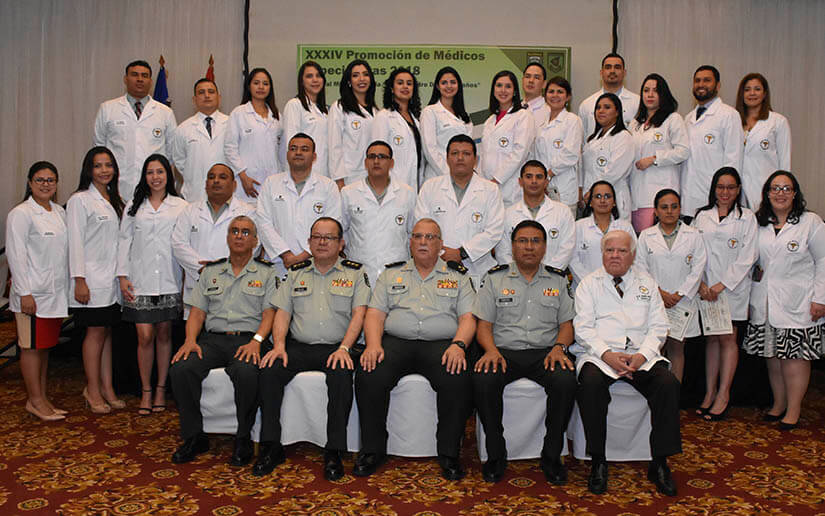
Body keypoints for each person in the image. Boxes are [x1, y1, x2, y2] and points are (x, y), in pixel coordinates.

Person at [354, 218, 476, 480]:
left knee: (457, 378)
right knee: (370, 374)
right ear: (410, 243)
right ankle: (373, 450)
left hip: (441, 345)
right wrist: (373, 344)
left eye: (430, 237)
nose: (423, 242)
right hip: (396, 342)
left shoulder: (458, 277)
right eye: (418, 236)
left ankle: (449, 453)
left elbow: (468, 318)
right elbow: (375, 314)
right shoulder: (390, 275)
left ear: (441, 245)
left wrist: (458, 345)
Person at [257, 217, 371, 479]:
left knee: (341, 376)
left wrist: (344, 348)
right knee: (270, 369)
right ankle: (271, 445)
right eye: (317, 237)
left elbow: (359, 314)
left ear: (341, 243)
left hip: (337, 346)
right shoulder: (296, 272)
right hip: (299, 346)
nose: (322, 242)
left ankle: (334, 450)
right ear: (309, 242)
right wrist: (279, 346)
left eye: (329, 237)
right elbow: (283, 313)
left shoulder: (355, 273)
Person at [573, 229, 681, 496]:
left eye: (622, 250)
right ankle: (598, 460)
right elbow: (583, 329)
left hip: (639, 356)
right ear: (602, 253)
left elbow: (659, 327)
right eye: (609, 250)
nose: (615, 255)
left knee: (668, 384)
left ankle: (660, 462)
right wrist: (607, 355)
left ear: (632, 255)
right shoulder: (589, 284)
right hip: (602, 356)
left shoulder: (646, 283)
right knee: (590, 384)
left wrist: (642, 356)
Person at [169, 216, 277, 465]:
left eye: (245, 232)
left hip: (249, 339)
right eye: (234, 231)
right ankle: (194, 436)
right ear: (227, 237)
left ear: (255, 241)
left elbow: (269, 314)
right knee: (182, 368)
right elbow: (197, 312)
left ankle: (243, 438)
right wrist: (189, 340)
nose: (239, 236)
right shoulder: (211, 271)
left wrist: (257, 341)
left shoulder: (267, 273)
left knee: (247, 372)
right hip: (213, 340)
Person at [474, 220, 576, 484]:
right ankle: (496, 455)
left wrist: (559, 348)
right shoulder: (495, 279)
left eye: (535, 241)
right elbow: (483, 324)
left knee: (565, 381)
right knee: (484, 380)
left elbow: (567, 325)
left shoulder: (557, 279)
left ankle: (552, 455)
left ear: (544, 247)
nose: (529, 247)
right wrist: (490, 350)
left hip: (546, 352)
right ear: (513, 246)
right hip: (503, 351)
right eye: (522, 241)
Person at [744, 171, 824, 430]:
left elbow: (824, 261)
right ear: (767, 193)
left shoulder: (810, 222)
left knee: (795, 357)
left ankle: (794, 409)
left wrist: (820, 299)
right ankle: (778, 404)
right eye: (775, 188)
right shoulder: (759, 224)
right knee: (773, 355)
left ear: (795, 194)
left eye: (786, 188)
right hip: (765, 301)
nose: (780, 193)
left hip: (800, 301)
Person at [117, 154, 187, 415]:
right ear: (144, 176)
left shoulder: (180, 206)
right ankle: (145, 389)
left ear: (169, 176)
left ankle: (160, 388)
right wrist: (122, 276)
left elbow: (183, 243)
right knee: (144, 336)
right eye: (150, 172)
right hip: (140, 280)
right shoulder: (134, 207)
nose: (155, 177)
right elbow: (123, 242)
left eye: (160, 172)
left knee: (165, 334)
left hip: (169, 279)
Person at [692, 167, 758, 420]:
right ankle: (709, 393)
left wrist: (721, 285)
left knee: (728, 339)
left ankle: (723, 394)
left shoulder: (747, 218)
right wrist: (701, 283)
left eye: (731, 187)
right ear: (714, 188)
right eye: (721, 187)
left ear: (738, 190)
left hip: (731, 289)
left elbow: (748, 256)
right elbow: (695, 251)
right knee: (712, 339)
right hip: (705, 289)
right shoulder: (702, 216)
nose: (725, 192)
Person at [6, 161, 69, 421]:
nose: (46, 184)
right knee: (30, 348)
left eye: (51, 180)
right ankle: (35, 400)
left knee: (44, 347)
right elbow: (15, 254)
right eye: (40, 180)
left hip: (54, 294)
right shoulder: (21, 213)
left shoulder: (58, 212)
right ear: (30, 183)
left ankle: (42, 398)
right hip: (32, 294)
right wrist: (25, 293)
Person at [67, 147, 126, 414]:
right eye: (98, 166)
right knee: (94, 334)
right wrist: (79, 280)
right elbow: (75, 242)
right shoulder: (80, 200)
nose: (104, 170)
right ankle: (92, 390)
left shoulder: (114, 198)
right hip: (90, 279)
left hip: (111, 279)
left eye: (108, 165)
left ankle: (107, 387)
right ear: (88, 170)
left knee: (106, 333)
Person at [634, 189, 707, 381]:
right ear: (656, 211)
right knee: (653, 348)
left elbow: (698, 267)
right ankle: (655, 399)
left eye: (674, 207)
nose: (669, 211)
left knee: (677, 348)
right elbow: (640, 269)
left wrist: (679, 294)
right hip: (654, 300)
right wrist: (660, 294)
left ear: (680, 209)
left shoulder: (693, 235)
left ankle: (674, 399)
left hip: (682, 302)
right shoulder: (645, 236)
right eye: (664, 207)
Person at [415, 134, 505, 287]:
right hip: (438, 267)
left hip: (478, 271)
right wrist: (443, 253)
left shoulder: (490, 190)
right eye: (455, 153)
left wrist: (462, 253)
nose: (460, 158)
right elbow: (421, 226)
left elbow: (494, 230)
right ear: (447, 158)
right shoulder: (430, 187)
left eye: (466, 153)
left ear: (475, 160)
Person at [171, 164, 256, 317]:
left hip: (233, 284)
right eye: (211, 177)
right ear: (205, 184)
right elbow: (179, 244)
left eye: (222, 177)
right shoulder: (190, 211)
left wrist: (224, 268)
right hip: (197, 285)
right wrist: (205, 269)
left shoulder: (248, 212)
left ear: (234, 185)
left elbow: (253, 246)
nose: (216, 181)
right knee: (194, 336)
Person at [256, 133, 342, 278]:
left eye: (304, 149)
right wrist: (285, 254)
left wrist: (304, 256)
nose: (298, 153)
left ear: (314, 156)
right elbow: (263, 222)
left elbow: (333, 226)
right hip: (278, 263)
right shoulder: (271, 183)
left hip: (316, 263)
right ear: (287, 154)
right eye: (293, 148)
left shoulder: (328, 186)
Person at [93, 60, 177, 199]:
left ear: (150, 81)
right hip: (117, 185)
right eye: (134, 75)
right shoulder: (108, 109)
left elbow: (171, 152)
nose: (139, 79)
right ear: (125, 79)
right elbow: (99, 147)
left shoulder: (165, 112)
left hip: (153, 187)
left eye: (144, 76)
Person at [341, 140, 416, 284]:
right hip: (359, 271)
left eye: (382, 157)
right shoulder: (348, 193)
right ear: (365, 162)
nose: (376, 161)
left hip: (397, 271)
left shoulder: (407, 193)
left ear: (391, 163)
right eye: (372, 157)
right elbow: (341, 232)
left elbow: (412, 233)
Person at [629, 74, 689, 233]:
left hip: (661, 192)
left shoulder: (673, 119)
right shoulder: (635, 123)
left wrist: (654, 159)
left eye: (655, 91)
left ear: (663, 94)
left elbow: (683, 151)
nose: (649, 95)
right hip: (636, 195)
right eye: (646, 90)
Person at [681, 65, 744, 218]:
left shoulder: (729, 115)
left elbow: (733, 159)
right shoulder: (687, 118)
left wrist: (727, 196)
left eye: (707, 80)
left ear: (718, 85)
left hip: (716, 200)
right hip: (688, 199)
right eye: (697, 81)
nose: (701, 84)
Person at [495, 160, 575, 270]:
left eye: (539, 177)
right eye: (528, 177)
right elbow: (503, 251)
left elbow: (567, 249)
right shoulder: (508, 214)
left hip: (552, 279)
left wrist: (546, 274)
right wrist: (518, 275)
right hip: (515, 279)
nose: (534, 181)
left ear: (546, 182)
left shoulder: (563, 212)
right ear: (520, 182)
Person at [224, 67, 283, 204]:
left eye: (265, 83)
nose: (261, 87)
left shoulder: (277, 116)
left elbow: (281, 151)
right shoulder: (239, 113)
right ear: (249, 86)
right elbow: (230, 148)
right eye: (256, 83)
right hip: (247, 181)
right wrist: (243, 176)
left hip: (273, 179)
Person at [479, 70, 536, 207]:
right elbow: (483, 155)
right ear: (493, 90)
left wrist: (497, 179)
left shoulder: (523, 116)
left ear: (515, 91)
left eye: (508, 86)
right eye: (499, 85)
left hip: (510, 187)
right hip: (487, 187)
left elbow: (519, 153)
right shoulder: (490, 121)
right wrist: (482, 182)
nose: (503, 90)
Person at [735, 73, 791, 209]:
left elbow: (785, 162)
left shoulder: (778, 121)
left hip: (766, 187)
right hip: (738, 189)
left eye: (757, 89)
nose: (752, 93)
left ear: (765, 93)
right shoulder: (733, 120)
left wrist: (781, 191)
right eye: (747, 89)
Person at [531, 76, 583, 215]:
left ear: (568, 97)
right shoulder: (541, 123)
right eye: (551, 91)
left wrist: (547, 175)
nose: (555, 95)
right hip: (543, 188)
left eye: (560, 92)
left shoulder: (572, 121)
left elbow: (570, 155)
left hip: (563, 188)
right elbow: (536, 154)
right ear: (545, 95)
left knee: (563, 231)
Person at [569, 181, 636, 289]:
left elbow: (633, 258)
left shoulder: (625, 227)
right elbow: (573, 260)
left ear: (614, 202)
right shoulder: (578, 227)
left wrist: (617, 283)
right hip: (585, 287)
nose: (603, 200)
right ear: (590, 202)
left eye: (607, 196)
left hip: (620, 288)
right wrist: (592, 283)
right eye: (598, 196)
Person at [172, 78, 228, 202]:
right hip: (195, 194)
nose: (207, 95)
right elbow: (180, 162)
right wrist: (195, 174)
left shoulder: (232, 124)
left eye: (211, 92)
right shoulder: (183, 128)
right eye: (201, 92)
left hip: (227, 194)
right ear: (194, 99)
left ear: (219, 97)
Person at [581, 93, 634, 220]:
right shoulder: (593, 139)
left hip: (613, 196)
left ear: (617, 112)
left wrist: (593, 192)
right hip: (591, 200)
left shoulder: (623, 137)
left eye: (607, 107)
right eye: (598, 108)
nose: (601, 111)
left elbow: (614, 171)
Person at [328, 60, 377, 189]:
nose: (362, 79)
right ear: (349, 81)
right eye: (355, 75)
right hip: (349, 177)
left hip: (373, 176)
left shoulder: (376, 111)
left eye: (365, 74)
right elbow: (334, 146)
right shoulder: (339, 107)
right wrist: (339, 180)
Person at [371, 68, 423, 190]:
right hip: (391, 185)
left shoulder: (416, 120)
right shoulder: (384, 117)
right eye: (400, 83)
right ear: (392, 89)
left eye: (409, 84)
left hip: (414, 183)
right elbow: (378, 155)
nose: (405, 87)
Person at [420, 66, 473, 182]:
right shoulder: (430, 112)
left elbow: (469, 149)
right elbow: (430, 150)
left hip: (461, 176)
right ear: (438, 87)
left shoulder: (464, 116)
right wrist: (449, 174)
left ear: (458, 85)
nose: (449, 86)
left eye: (453, 82)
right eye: (444, 83)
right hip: (437, 175)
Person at [281, 61, 329, 178]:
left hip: (325, 173)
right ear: (302, 82)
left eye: (318, 76)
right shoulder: (294, 105)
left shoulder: (325, 111)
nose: (315, 80)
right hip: (302, 173)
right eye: (309, 76)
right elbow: (291, 143)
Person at [578, 53, 640, 141]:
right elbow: (581, 139)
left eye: (617, 67)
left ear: (624, 72)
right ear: (601, 72)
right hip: (594, 153)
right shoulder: (587, 104)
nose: (612, 71)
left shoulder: (637, 102)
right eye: (608, 67)